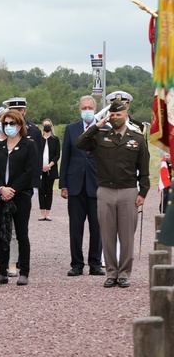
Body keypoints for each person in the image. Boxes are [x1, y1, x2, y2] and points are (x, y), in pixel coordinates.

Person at [76, 99, 151, 288]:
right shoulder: (100, 136)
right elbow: (80, 143)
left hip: (128, 191)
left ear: (126, 115)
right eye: (113, 115)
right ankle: (111, 273)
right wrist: (97, 124)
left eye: (119, 114)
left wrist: (143, 192)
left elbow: (144, 170)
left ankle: (124, 273)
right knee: (107, 236)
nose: (116, 118)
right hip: (105, 191)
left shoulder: (137, 138)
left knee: (126, 236)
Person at [0, 110, 40, 286]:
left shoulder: (28, 145)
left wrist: (13, 190)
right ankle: (2, 271)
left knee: (21, 233)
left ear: (19, 125)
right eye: (5, 123)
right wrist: (2, 188)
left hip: (21, 195)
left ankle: (23, 271)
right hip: (1, 195)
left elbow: (30, 170)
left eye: (12, 123)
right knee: (3, 234)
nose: (9, 127)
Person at [58, 96, 105, 277]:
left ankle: (95, 264)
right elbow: (66, 158)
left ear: (95, 109)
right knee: (75, 228)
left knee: (97, 227)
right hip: (75, 185)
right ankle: (77, 264)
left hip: (97, 185)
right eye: (83, 107)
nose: (87, 110)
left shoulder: (103, 129)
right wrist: (63, 185)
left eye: (89, 107)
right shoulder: (71, 129)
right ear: (79, 109)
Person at [38, 119, 60, 221]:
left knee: (49, 191)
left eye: (48, 125)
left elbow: (57, 155)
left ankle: (48, 213)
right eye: (45, 125)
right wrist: (41, 166)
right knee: (41, 191)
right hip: (40, 169)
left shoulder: (55, 139)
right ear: (42, 127)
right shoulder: (39, 139)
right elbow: (36, 154)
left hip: (51, 168)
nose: (47, 127)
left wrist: (49, 165)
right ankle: (42, 213)